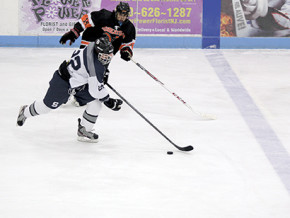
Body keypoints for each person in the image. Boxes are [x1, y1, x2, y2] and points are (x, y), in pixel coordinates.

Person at [16, 37, 123, 143]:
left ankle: (84, 131)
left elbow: (92, 74)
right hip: (63, 82)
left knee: (95, 103)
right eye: (104, 56)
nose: (106, 59)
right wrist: (109, 101)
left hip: (78, 82)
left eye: (108, 55)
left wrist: (101, 73)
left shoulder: (91, 46)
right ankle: (25, 112)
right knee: (46, 107)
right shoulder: (95, 66)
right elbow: (96, 90)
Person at [59, 2, 136, 106]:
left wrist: (126, 51)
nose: (122, 17)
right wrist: (74, 32)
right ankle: (66, 91)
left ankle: (83, 97)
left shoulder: (129, 27)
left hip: (106, 51)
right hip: (90, 42)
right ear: (116, 12)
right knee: (81, 69)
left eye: (125, 15)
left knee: (99, 73)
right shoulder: (104, 15)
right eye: (120, 14)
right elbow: (86, 20)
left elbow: (128, 43)